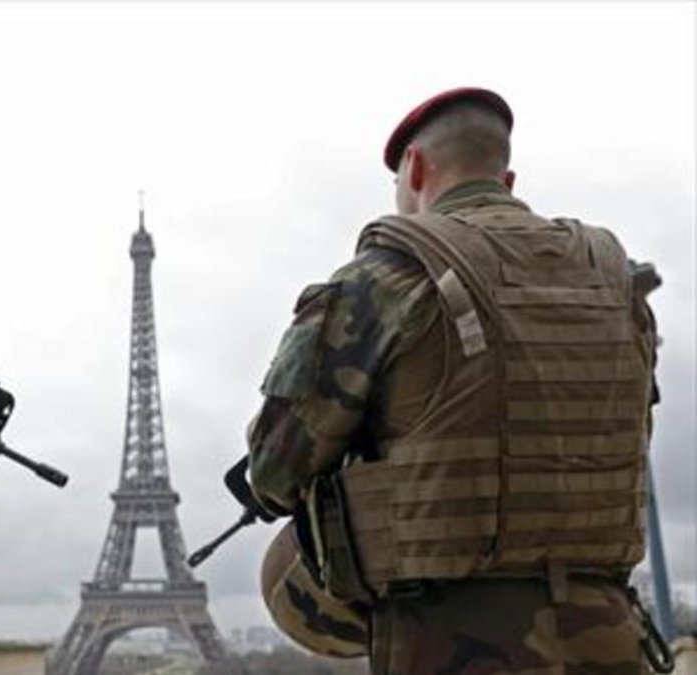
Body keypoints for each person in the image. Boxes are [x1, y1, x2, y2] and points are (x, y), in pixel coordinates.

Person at [247, 87, 663, 674]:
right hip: (606, 635)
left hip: (455, 643)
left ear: (414, 170)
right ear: (507, 180)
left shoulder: (385, 278)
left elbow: (275, 468)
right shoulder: (614, 282)